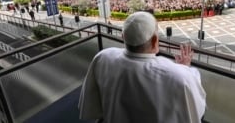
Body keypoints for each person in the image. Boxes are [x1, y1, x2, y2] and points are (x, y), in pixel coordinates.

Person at [78, 11, 206, 123]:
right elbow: (197, 110)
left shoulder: (103, 57)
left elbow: (94, 104)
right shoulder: (179, 76)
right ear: (155, 40)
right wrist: (184, 68)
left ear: (123, 37)